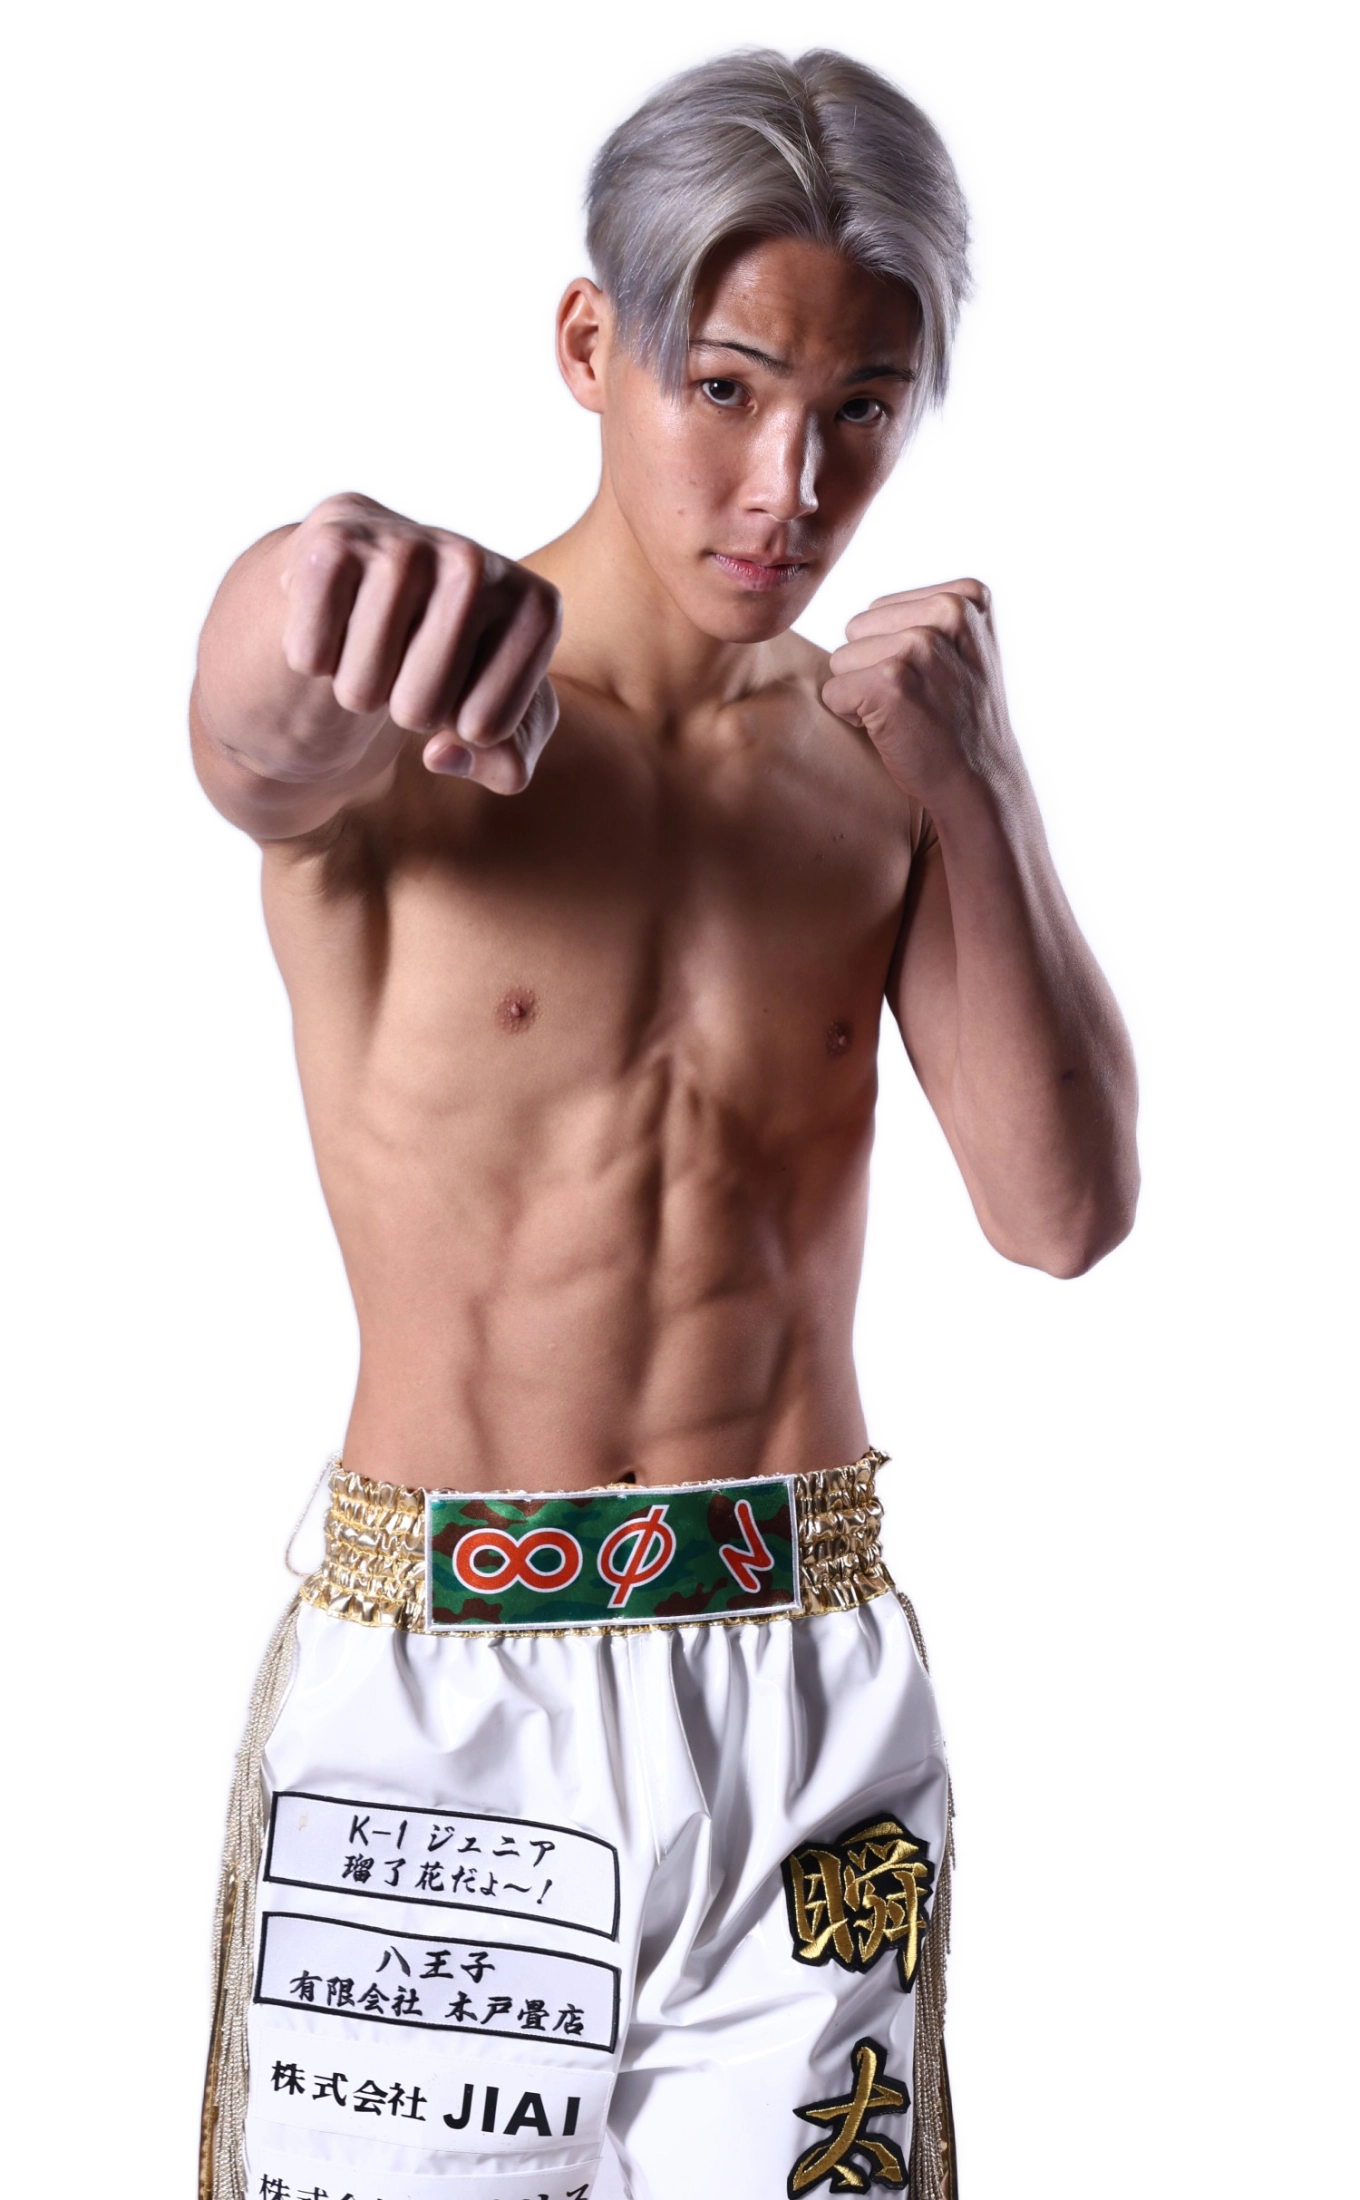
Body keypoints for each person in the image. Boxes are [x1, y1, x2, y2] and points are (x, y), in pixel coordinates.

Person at [189, 44, 1139, 2200]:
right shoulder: (410, 714)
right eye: (725, 389)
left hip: (804, 1689)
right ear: (585, 344)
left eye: (861, 410)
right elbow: (253, 729)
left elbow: (1062, 1208)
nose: (789, 485)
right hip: (443, 1692)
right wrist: (308, 594)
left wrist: (983, 786)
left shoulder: (876, 764)